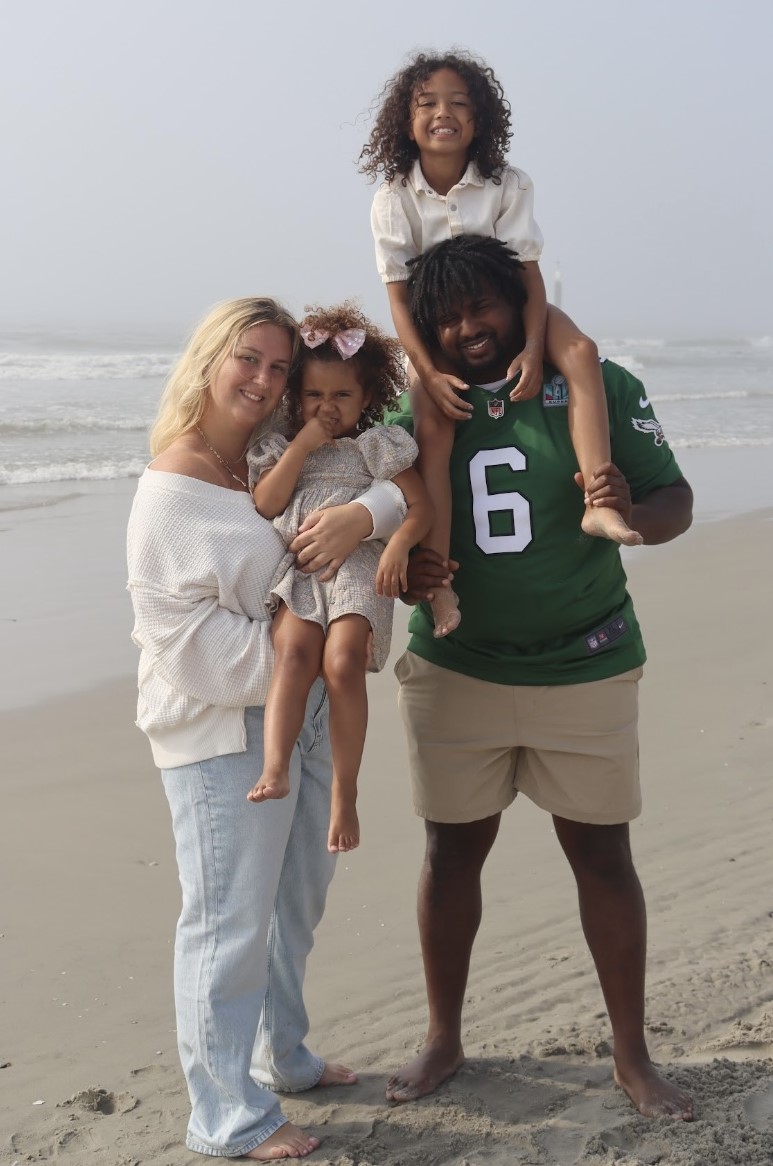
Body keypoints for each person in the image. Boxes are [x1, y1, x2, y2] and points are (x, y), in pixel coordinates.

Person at [385, 236, 695, 1121]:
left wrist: (632, 512)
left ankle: (631, 1054)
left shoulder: (596, 387)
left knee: (601, 854)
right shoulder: (417, 406)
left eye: (482, 305)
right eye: (447, 317)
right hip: (458, 666)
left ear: (520, 303)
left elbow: (673, 499)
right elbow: (386, 521)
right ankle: (443, 1037)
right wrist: (404, 569)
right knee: (451, 853)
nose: (467, 328)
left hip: (585, 659)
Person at [126, 297, 407, 1160]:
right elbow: (179, 639)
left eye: (279, 367)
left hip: (303, 711)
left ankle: (281, 1055)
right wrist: (303, 655)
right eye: (248, 358)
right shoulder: (173, 487)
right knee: (227, 924)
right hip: (220, 731)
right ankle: (226, 1116)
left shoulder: (265, 455)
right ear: (209, 360)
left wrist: (372, 520)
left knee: (296, 905)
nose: (264, 378)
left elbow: (379, 480)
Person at [361, 50, 642, 637]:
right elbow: (399, 300)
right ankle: (440, 581)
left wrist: (535, 347)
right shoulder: (393, 197)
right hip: (437, 326)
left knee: (581, 352)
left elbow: (528, 277)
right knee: (434, 426)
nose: (444, 113)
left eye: (459, 103)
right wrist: (427, 372)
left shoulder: (507, 183)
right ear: (405, 121)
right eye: (428, 103)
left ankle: (598, 502)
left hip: (512, 309)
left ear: (480, 118)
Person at [246, 302, 432, 854]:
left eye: (342, 396)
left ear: (368, 398)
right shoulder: (283, 449)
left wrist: (398, 544)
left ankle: (344, 792)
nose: (326, 408)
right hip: (303, 569)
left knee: (343, 662)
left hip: (358, 568)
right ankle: (275, 766)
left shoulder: (377, 446)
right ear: (294, 397)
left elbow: (420, 508)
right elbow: (267, 502)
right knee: (294, 655)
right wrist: (304, 443)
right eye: (313, 395)